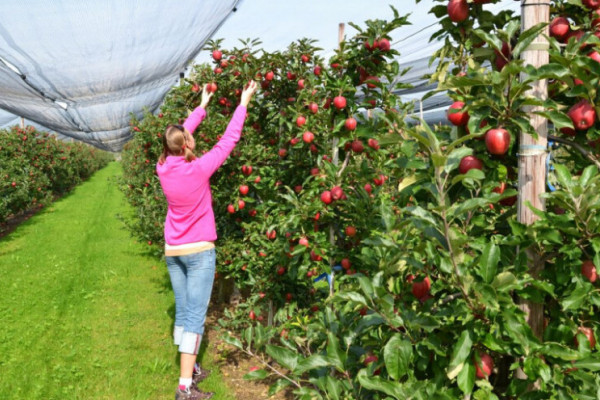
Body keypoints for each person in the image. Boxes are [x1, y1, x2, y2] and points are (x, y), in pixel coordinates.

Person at [156, 80, 258, 400]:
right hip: (199, 250)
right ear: (186, 143)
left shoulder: (163, 166)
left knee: (184, 310)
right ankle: (185, 387)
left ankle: (192, 367)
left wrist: (201, 107)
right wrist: (243, 103)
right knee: (194, 319)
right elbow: (229, 140)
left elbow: (177, 135)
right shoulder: (199, 169)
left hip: (174, 250)